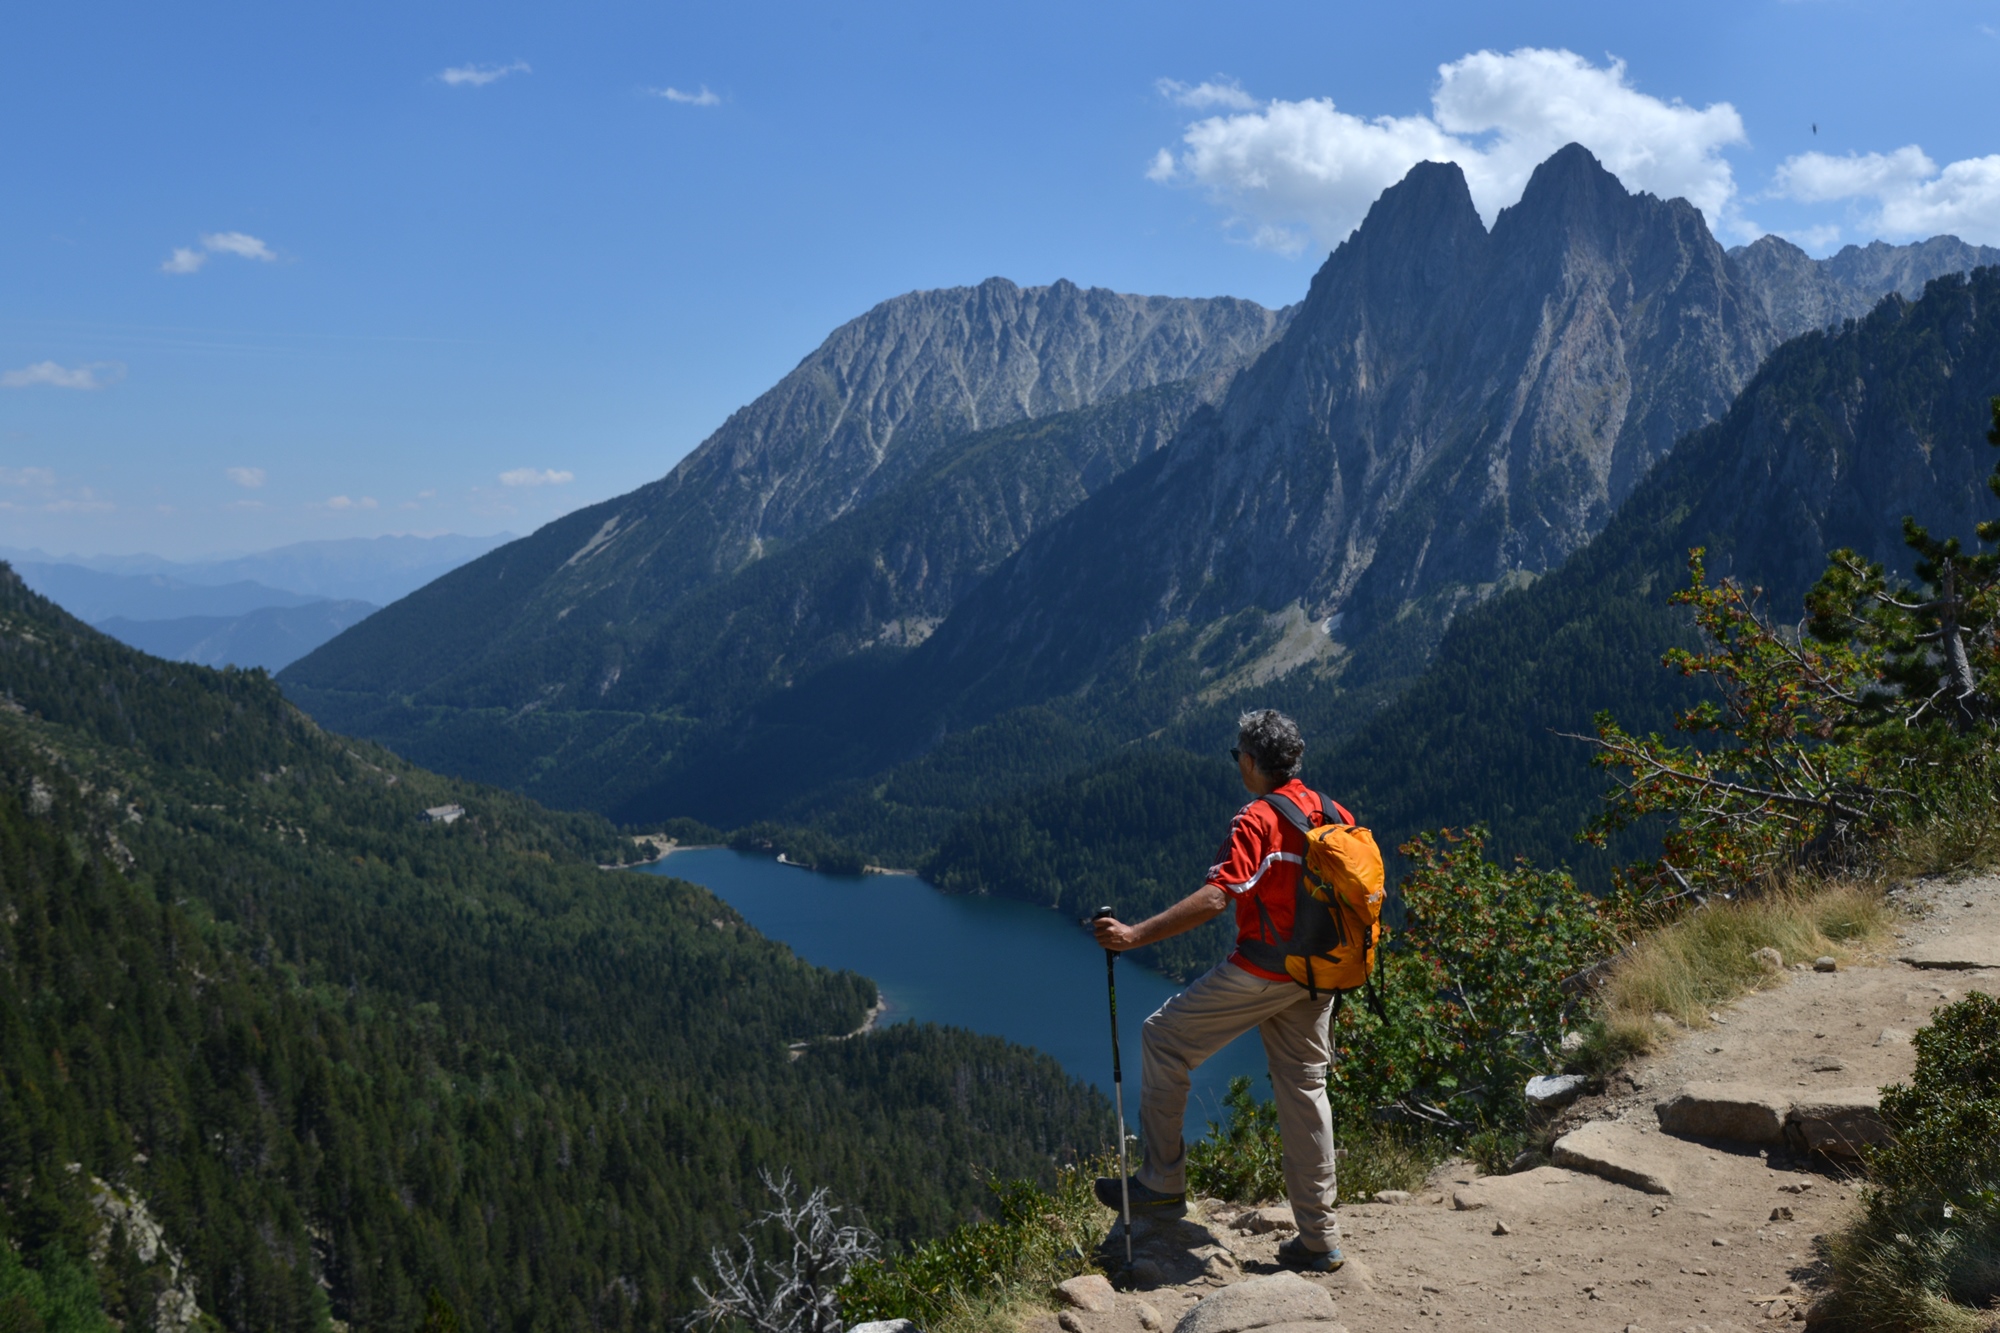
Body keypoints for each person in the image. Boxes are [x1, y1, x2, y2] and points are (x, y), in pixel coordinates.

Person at [1090, 708, 1347, 1272]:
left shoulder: (1256, 818)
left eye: (1238, 756)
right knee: (1305, 1089)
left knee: (1162, 1038)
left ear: (1252, 762)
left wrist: (1133, 936)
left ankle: (1161, 1181)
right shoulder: (1333, 811)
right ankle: (1320, 1238)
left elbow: (1216, 897)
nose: (1239, 765)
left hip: (1266, 970)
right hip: (1322, 972)